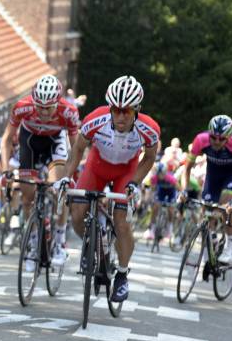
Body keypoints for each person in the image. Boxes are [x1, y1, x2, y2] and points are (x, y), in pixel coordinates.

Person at [57, 75, 160, 302]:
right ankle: (93, 244)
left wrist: (135, 182)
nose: (121, 116)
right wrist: (66, 177)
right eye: (116, 110)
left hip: (126, 171)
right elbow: (77, 150)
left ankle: (122, 275)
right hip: (97, 166)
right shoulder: (95, 119)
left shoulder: (149, 129)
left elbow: (149, 158)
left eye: (127, 111)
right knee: (76, 212)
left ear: (137, 110)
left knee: (121, 221)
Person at [0, 74, 80, 266]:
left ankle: (60, 240)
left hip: (55, 143)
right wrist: (5, 170)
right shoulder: (22, 107)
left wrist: (70, 175)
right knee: (27, 197)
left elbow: (76, 148)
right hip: (30, 142)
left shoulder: (68, 112)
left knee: (59, 188)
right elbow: (6, 140)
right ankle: (34, 243)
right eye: (40, 107)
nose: (44, 112)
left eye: (48, 107)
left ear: (58, 102)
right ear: (34, 101)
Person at [181, 115, 232, 267]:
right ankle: (210, 244)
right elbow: (187, 169)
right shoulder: (200, 140)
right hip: (212, 176)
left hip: (231, 177)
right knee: (207, 211)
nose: (216, 142)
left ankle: (230, 246)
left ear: (229, 138)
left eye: (221, 139)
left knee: (225, 206)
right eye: (213, 137)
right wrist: (184, 190)